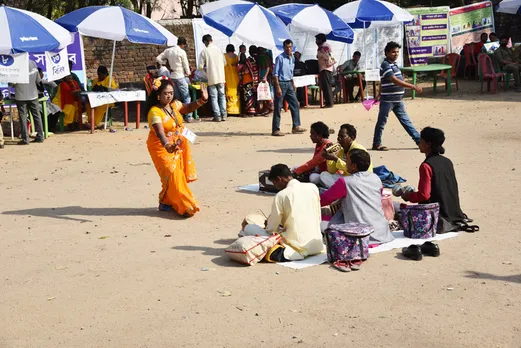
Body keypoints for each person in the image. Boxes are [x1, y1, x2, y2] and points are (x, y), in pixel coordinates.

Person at [146, 77, 208, 217]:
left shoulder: (174, 105)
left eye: (171, 93)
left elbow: (187, 108)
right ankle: (185, 205)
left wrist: (202, 100)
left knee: (176, 174)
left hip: (177, 144)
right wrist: (167, 144)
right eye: (166, 93)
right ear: (158, 95)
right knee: (172, 174)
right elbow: (160, 132)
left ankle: (166, 202)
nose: (169, 96)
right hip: (161, 147)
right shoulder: (154, 112)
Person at [242, 164, 324, 261]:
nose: (276, 187)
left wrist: (268, 224)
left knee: (248, 228)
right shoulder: (312, 187)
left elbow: (272, 229)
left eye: (274, 183)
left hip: (296, 247)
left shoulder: (281, 195)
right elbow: (318, 216)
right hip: (317, 245)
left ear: (278, 179)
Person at [402, 127, 471, 233]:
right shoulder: (447, 162)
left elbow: (424, 195)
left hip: (438, 213)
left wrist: (408, 196)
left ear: (428, 144)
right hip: (453, 212)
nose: (419, 143)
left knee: (400, 212)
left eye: (421, 141)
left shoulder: (426, 166)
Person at [320, 149, 394, 244]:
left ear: (354, 166)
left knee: (323, 225)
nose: (345, 163)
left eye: (347, 161)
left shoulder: (345, 182)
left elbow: (324, 200)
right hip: (382, 232)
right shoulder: (376, 178)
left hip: (360, 235)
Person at [373, 42, 422, 151]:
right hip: (388, 100)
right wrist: (413, 86)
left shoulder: (394, 64)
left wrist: (378, 93)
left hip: (397, 100)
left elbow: (382, 80)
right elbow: (395, 81)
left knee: (406, 121)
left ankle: (419, 141)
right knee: (381, 122)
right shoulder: (385, 64)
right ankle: (376, 143)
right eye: (393, 52)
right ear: (387, 53)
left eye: (397, 52)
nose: (396, 54)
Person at [320, 123, 372, 188]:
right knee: (323, 175)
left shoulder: (358, 150)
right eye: (338, 136)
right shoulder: (342, 149)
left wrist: (336, 159)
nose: (339, 139)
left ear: (352, 138)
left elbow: (353, 170)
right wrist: (330, 157)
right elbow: (332, 171)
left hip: (360, 180)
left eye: (342, 136)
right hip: (349, 178)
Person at [272, 39, 306, 137]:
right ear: (283, 48)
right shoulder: (280, 58)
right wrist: (277, 87)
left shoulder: (292, 58)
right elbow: (275, 74)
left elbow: (291, 73)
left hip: (289, 83)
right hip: (281, 83)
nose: (288, 49)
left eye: (290, 47)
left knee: (294, 104)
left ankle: (296, 126)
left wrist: (293, 83)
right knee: (278, 106)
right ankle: (275, 129)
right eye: (287, 47)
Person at [157, 37, 195, 122]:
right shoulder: (182, 52)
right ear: (183, 44)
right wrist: (189, 75)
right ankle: (189, 116)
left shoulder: (168, 50)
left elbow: (158, 58)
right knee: (187, 96)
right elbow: (186, 65)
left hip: (172, 76)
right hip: (180, 76)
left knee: (176, 97)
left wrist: (166, 65)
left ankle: (177, 115)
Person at [11, 60, 44, 145]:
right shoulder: (32, 63)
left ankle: (25, 139)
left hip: (20, 96)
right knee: (37, 116)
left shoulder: (16, 65)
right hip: (33, 95)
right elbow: (38, 80)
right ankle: (40, 136)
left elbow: (12, 83)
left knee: (23, 117)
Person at [198, 34, 227, 122]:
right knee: (222, 96)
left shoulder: (204, 51)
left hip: (211, 77)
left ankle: (217, 116)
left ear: (206, 42)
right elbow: (224, 63)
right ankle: (224, 115)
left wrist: (206, 71)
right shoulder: (218, 50)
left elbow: (200, 67)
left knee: (214, 97)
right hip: (221, 77)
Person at [37, 68, 62, 133]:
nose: (43, 74)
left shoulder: (41, 81)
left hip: (44, 101)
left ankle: (51, 127)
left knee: (57, 109)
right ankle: (45, 128)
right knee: (48, 112)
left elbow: (52, 84)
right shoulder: (33, 81)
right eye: (41, 73)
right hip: (36, 103)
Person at [239, 45, 259, 116]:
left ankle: (250, 111)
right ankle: (256, 110)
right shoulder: (258, 59)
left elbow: (242, 69)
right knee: (255, 95)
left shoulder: (247, 60)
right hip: (256, 81)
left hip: (248, 80)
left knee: (248, 96)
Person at [316, 33, 335, 108]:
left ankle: (329, 103)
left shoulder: (323, 47)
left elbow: (327, 57)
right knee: (326, 86)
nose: (316, 41)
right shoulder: (325, 46)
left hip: (325, 69)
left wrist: (320, 55)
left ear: (320, 40)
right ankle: (329, 102)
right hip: (326, 68)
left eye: (317, 40)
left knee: (326, 87)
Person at [223, 44, 241, 116]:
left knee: (228, 92)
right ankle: (237, 109)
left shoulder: (224, 56)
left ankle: (230, 110)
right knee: (236, 92)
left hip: (227, 76)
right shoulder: (236, 56)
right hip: (236, 77)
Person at [257, 47, 273, 116]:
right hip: (262, 76)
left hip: (266, 76)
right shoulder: (261, 57)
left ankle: (271, 109)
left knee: (268, 92)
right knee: (263, 92)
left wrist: (265, 76)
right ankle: (265, 108)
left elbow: (268, 68)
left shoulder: (265, 57)